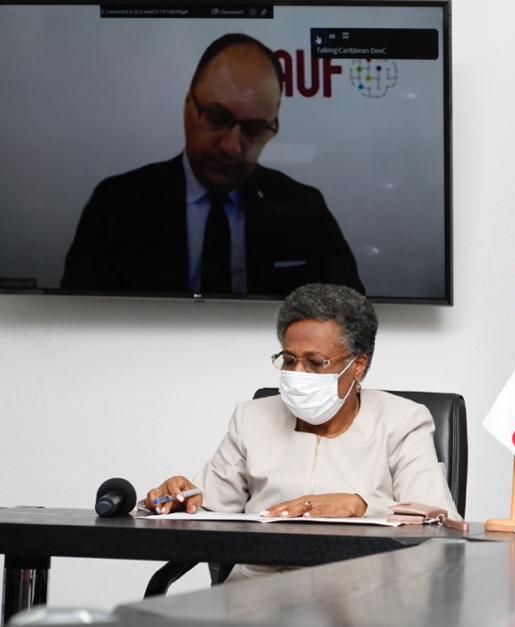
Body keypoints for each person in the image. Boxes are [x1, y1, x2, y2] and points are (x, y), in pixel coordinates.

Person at [145, 283, 456, 579]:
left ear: (358, 366)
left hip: (361, 595)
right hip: (256, 593)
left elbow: (438, 526)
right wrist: (178, 499)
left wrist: (361, 506)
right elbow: (206, 508)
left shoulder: (402, 421)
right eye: (289, 360)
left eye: (316, 363)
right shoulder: (251, 418)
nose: (297, 374)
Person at [62, 34, 363, 296]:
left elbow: (351, 316)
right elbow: (76, 316)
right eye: (217, 119)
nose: (232, 147)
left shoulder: (304, 209)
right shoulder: (117, 204)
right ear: (187, 107)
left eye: (255, 129)